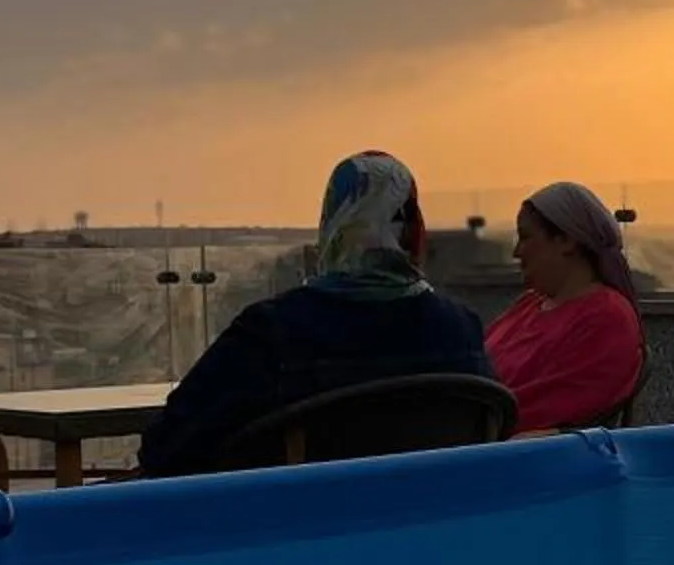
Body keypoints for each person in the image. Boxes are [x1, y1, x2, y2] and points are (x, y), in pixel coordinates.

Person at [139, 150, 496, 476]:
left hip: (300, 537)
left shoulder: (272, 334)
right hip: (425, 535)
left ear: (332, 226)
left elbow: (164, 450)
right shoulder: (460, 331)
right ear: (415, 231)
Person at [486, 182, 646, 434]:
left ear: (566, 240)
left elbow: (554, 407)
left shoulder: (607, 319)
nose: (517, 252)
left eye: (526, 237)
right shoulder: (529, 305)